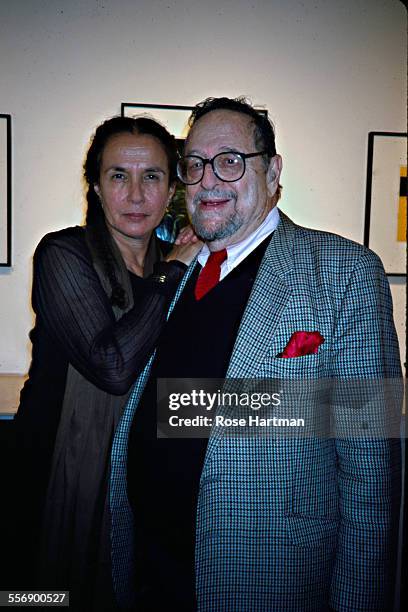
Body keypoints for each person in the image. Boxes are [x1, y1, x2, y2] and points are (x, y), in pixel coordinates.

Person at [116, 98, 402, 611]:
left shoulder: (344, 273)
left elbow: (369, 467)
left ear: (272, 172)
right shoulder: (173, 271)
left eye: (230, 160)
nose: (208, 179)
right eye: (195, 164)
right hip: (150, 570)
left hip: (265, 573)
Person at [12, 116, 200, 610]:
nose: (136, 195)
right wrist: (174, 273)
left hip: (140, 475)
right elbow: (113, 367)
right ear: (96, 186)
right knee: (42, 598)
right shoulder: (63, 253)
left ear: (172, 188)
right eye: (119, 176)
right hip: (55, 470)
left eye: (152, 177)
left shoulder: (177, 261)